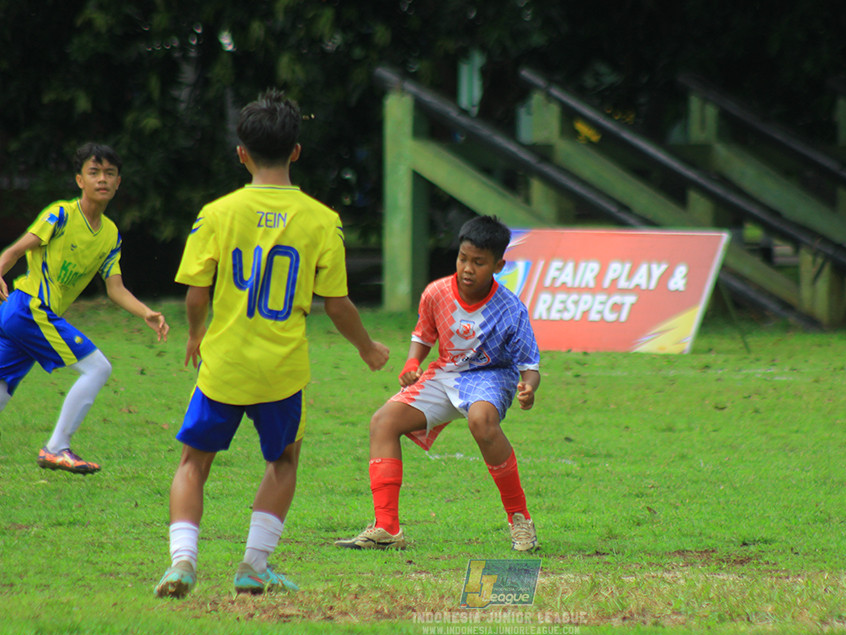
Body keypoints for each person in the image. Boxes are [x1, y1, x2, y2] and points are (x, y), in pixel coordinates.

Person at [154, 90, 389, 599]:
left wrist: (195, 333)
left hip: (224, 365)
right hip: (282, 371)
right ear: (296, 151)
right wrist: (368, 348)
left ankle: (182, 563)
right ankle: (253, 566)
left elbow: (196, 292)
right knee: (283, 462)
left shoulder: (216, 213)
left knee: (193, 463)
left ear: (242, 153)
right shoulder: (322, 219)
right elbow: (337, 305)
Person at [336, 215, 541, 553]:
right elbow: (423, 334)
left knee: (482, 421)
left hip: (491, 376)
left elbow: (529, 364)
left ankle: (519, 518)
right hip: (446, 374)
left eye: (478, 262)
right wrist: (412, 363)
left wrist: (529, 387)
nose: (467, 269)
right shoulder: (436, 292)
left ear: (498, 265)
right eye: (463, 258)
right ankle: (386, 528)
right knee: (383, 422)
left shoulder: (510, 309)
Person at [0, 143, 169, 474]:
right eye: (94, 172)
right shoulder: (61, 214)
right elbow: (15, 251)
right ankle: (56, 448)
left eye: (109, 173)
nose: (102, 179)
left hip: (23, 317)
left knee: (2, 386)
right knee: (98, 368)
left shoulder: (110, 235)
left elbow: (115, 289)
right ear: (80, 180)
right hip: (29, 308)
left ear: (118, 182)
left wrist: (145, 312)